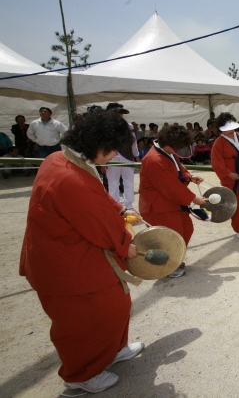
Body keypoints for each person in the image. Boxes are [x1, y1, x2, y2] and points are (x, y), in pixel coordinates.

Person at [20, 112, 145, 393]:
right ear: (99, 145)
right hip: (64, 264)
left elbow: (98, 200)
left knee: (116, 303)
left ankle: (113, 350)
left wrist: (120, 209)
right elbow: (98, 223)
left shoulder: (62, 160)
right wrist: (127, 246)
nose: (114, 155)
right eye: (113, 149)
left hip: (76, 251)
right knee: (79, 323)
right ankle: (79, 375)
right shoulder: (69, 177)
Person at [139, 125, 207, 278]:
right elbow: (170, 186)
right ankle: (169, 266)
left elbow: (178, 168)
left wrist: (189, 176)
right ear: (169, 145)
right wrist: (194, 198)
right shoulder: (153, 159)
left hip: (171, 202)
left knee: (186, 229)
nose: (178, 150)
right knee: (168, 238)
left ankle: (174, 260)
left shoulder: (166, 151)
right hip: (158, 206)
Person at [105, 103, 139, 211]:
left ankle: (129, 206)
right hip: (111, 158)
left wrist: (136, 156)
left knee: (128, 182)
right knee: (113, 183)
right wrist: (104, 160)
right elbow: (102, 144)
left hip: (127, 156)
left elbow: (133, 142)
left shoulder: (128, 126)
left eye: (121, 113)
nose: (120, 115)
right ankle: (115, 206)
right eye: (118, 113)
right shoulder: (105, 126)